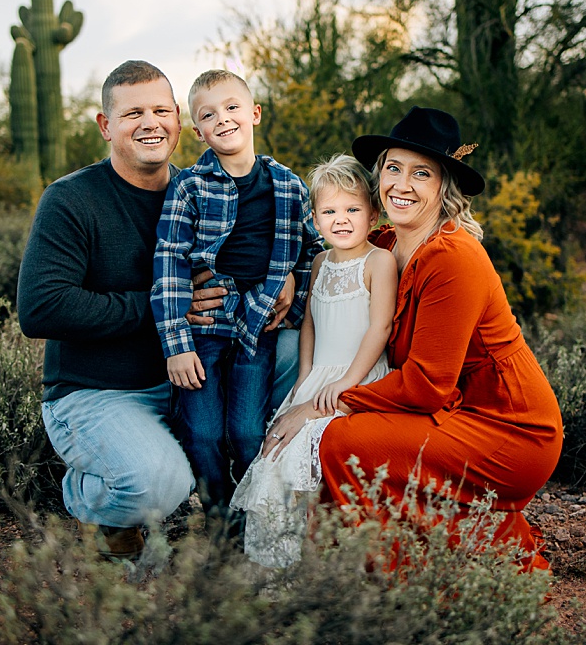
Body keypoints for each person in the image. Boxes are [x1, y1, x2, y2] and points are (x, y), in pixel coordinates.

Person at [16, 60, 299, 560]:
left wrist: (288, 274)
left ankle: (280, 498)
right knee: (159, 484)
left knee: (296, 347)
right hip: (104, 392)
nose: (150, 123)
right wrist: (167, 306)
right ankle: (95, 502)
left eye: (160, 111)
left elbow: (262, 244)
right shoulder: (71, 199)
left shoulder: (201, 189)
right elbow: (41, 308)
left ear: (179, 122)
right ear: (106, 126)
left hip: (197, 370)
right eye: (133, 114)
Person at [264, 106, 564, 571]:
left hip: (507, 428)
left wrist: (322, 405)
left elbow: (426, 385)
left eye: (421, 173)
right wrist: (284, 275)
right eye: (393, 168)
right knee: (335, 426)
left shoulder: (453, 258)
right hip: (446, 413)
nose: (401, 185)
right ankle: (330, 561)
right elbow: (328, 252)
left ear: (444, 186)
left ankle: (419, 572)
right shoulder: (384, 244)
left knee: (340, 440)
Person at [151, 69, 323, 519]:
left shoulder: (287, 185)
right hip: (204, 329)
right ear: (198, 131)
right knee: (203, 433)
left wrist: (293, 291)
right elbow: (169, 262)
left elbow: (313, 250)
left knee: (247, 433)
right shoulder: (189, 186)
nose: (223, 119)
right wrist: (176, 345)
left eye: (232, 107)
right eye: (208, 115)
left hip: (257, 325)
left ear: (255, 113)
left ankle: (256, 518)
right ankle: (218, 517)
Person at [231, 155, 396, 567]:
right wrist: (304, 378)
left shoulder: (378, 261)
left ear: (373, 215)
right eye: (330, 211)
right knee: (275, 452)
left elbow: (380, 329)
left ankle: (317, 559)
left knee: (307, 458)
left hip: (358, 377)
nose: (341, 220)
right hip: (317, 378)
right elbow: (309, 323)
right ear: (316, 219)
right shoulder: (320, 262)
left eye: (352, 209)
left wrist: (348, 383)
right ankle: (276, 564)